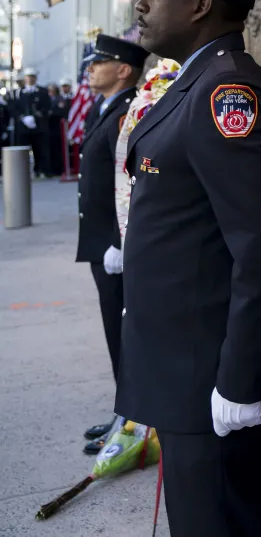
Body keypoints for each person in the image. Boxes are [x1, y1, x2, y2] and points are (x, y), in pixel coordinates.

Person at [117, 0, 261, 537]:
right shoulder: (193, 84)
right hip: (184, 370)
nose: (140, 5)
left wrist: (240, 381)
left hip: (210, 379)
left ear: (200, 5)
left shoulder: (227, 92)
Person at [74, 34, 147, 455]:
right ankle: (125, 414)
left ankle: (132, 421)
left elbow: (134, 183)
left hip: (116, 248)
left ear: (123, 69)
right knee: (113, 331)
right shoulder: (106, 109)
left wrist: (122, 241)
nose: (90, 69)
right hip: (102, 244)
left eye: (99, 62)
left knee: (124, 334)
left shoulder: (129, 113)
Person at [14, 69, 51, 177]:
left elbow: (46, 107)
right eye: (28, 76)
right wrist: (23, 118)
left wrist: (35, 117)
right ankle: (23, 172)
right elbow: (15, 108)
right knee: (23, 150)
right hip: (24, 127)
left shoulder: (42, 92)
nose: (30, 79)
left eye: (32, 76)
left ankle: (40, 170)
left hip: (38, 126)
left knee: (40, 149)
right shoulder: (19, 92)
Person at [47, 83, 68, 178]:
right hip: (48, 127)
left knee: (58, 149)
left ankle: (58, 169)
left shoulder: (59, 99)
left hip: (57, 127)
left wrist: (52, 113)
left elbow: (60, 111)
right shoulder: (47, 99)